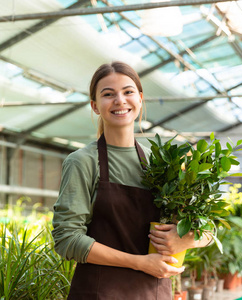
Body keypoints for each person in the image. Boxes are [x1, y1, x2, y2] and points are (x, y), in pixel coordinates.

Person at [52, 61, 212, 299]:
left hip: (153, 292)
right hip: (100, 292)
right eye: (108, 94)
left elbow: (209, 228)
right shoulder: (83, 161)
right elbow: (67, 239)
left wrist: (185, 239)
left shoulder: (161, 163)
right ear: (95, 106)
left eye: (128, 92)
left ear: (140, 98)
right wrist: (140, 263)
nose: (119, 100)